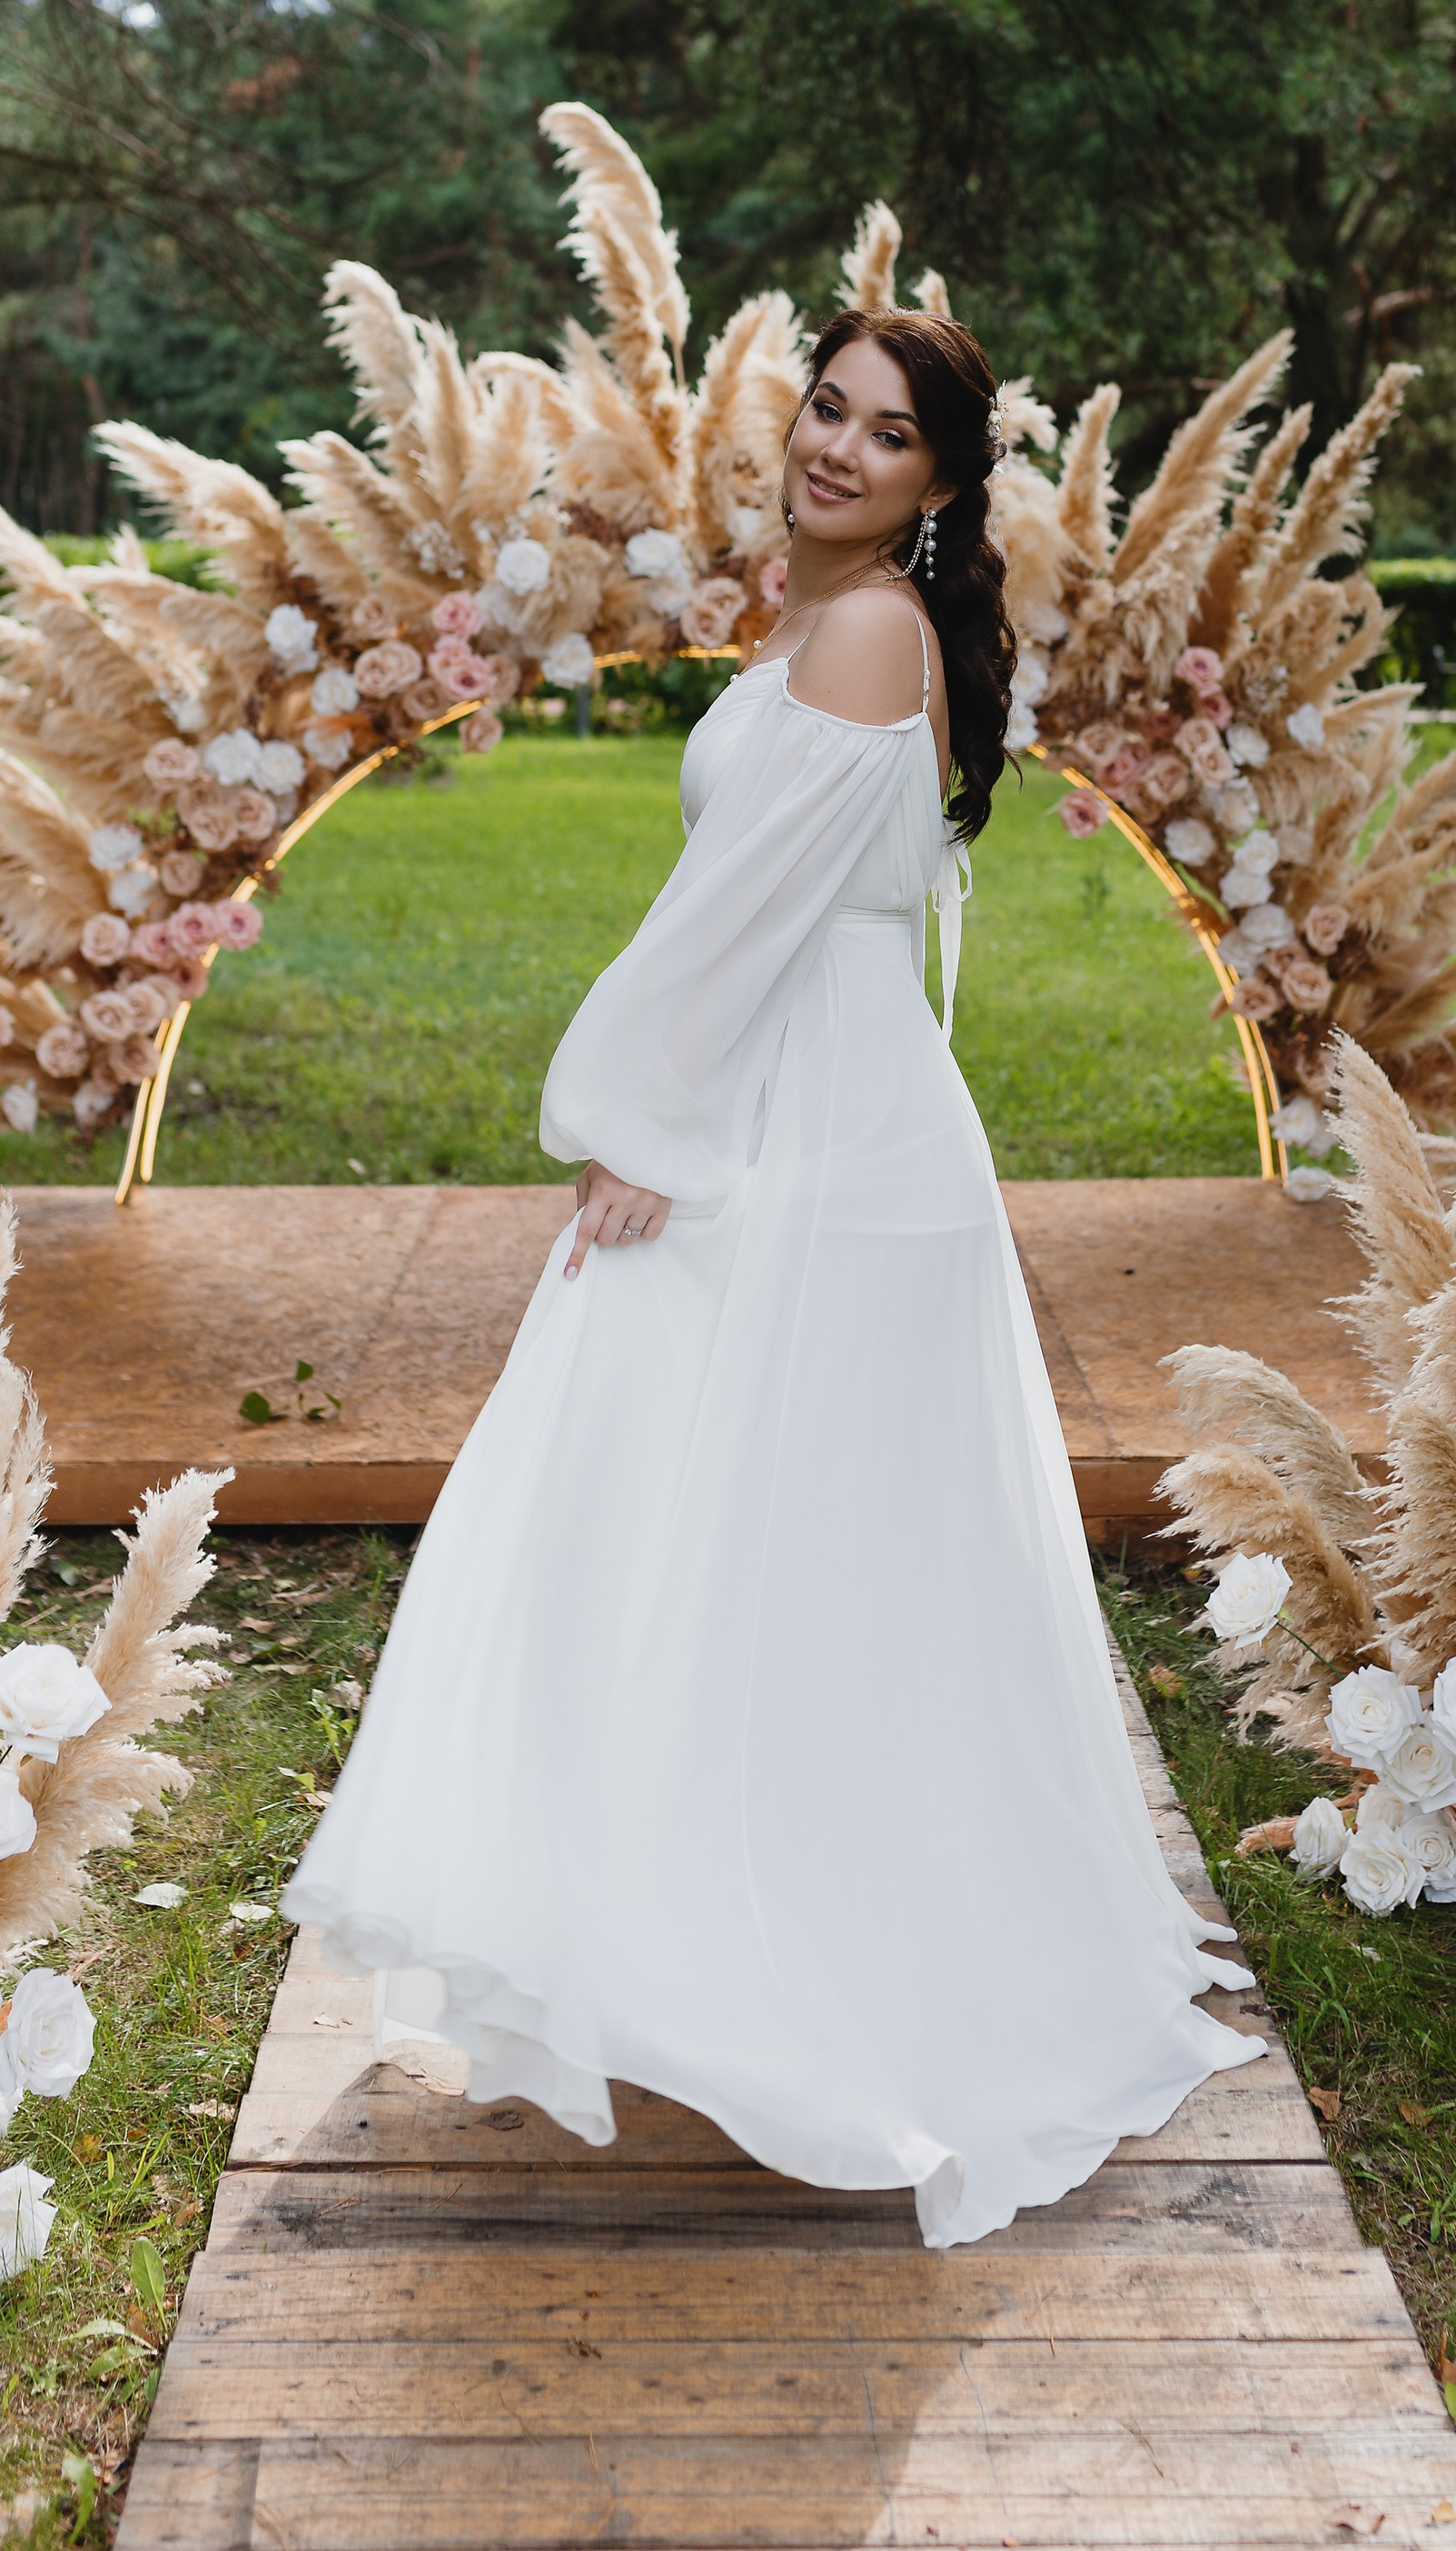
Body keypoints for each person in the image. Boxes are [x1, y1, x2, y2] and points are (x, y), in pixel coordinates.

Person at [282, 304, 1261, 2248]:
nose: (834, 448)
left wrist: (639, 1114)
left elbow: (742, 912)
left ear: (935, 484)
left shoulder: (874, 628)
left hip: (813, 1129)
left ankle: (809, 1966)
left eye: (885, 435)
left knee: (769, 1513)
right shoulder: (817, 623)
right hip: (791, 1093)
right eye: (824, 409)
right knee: (694, 1505)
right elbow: (748, 898)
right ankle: (678, 1935)